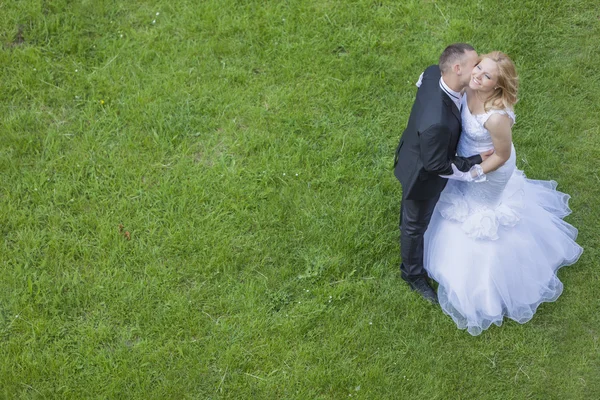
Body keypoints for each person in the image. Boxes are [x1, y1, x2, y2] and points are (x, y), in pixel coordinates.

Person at [424, 51, 583, 335]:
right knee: (458, 198)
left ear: (497, 86)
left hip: (490, 172)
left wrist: (474, 173)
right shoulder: (469, 87)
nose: (477, 76)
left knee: (483, 217)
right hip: (469, 160)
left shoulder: (497, 118)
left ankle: (489, 285)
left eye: (487, 76)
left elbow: (501, 155)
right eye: (479, 68)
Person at [393, 43, 492, 303]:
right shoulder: (438, 122)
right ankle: (412, 274)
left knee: (410, 214)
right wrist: (474, 163)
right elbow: (437, 166)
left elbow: (421, 83)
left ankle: (406, 219)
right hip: (422, 175)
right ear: (457, 68)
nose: (479, 69)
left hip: (414, 149)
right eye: (475, 65)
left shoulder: (433, 72)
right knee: (414, 225)